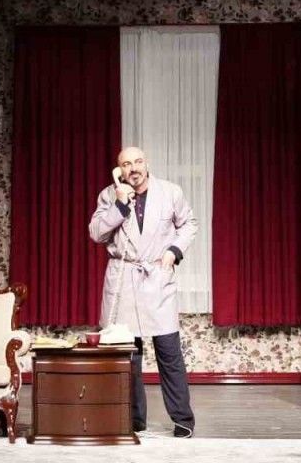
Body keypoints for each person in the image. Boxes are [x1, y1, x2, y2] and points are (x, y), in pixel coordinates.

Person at [89, 146, 197, 438]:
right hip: (123, 278)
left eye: (137, 162)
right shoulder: (109, 196)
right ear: (119, 170)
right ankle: (134, 419)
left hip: (156, 276)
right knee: (128, 354)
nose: (133, 168)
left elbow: (188, 224)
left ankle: (183, 420)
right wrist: (120, 204)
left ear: (146, 164)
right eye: (126, 164)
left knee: (169, 352)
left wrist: (174, 250)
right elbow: (96, 233)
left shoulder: (170, 192)